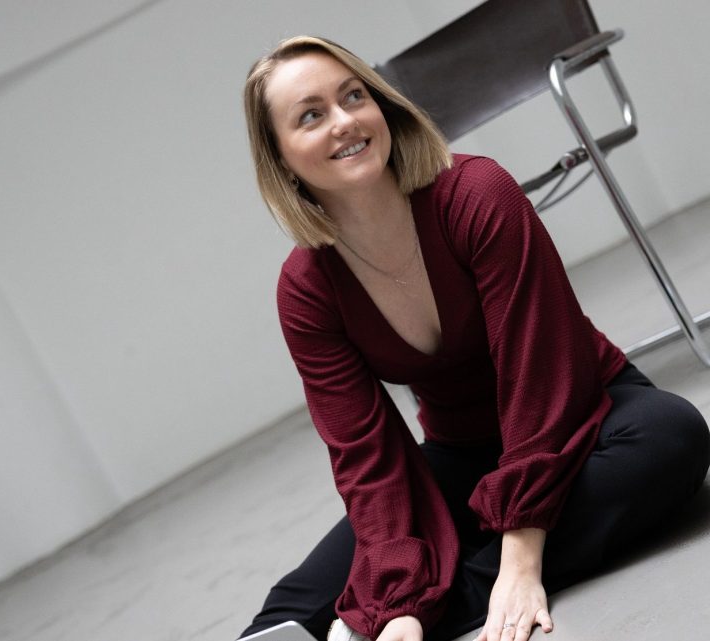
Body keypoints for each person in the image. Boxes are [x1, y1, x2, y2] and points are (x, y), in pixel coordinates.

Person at [238, 35, 710, 641]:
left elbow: (540, 374)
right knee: (293, 606)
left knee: (671, 437)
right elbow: (364, 454)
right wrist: (396, 592)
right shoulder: (305, 289)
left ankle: (440, 602)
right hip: (460, 453)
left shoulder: (476, 192)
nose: (345, 121)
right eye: (310, 115)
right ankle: (408, 607)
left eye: (353, 96)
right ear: (280, 158)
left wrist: (516, 564)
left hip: (581, 412)